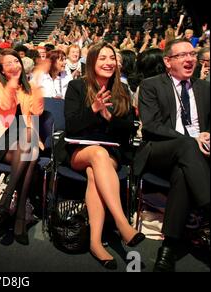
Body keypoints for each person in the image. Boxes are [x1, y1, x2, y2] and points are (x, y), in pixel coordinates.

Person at [64, 42, 145, 269]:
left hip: (110, 153)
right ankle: (121, 222)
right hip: (79, 150)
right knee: (96, 154)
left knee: (95, 172)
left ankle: (95, 242)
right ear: (91, 62)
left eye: (112, 58)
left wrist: (110, 118)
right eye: (102, 58)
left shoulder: (122, 90)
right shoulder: (76, 87)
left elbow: (131, 128)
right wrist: (93, 110)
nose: (108, 63)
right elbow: (71, 126)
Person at [136, 39, 210, 272]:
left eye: (192, 54)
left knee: (182, 172)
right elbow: (151, 125)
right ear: (168, 61)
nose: (189, 59)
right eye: (182, 55)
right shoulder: (151, 85)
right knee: (187, 147)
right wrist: (192, 139)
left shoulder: (205, 87)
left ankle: (168, 249)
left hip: (193, 158)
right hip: (160, 150)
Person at [0, 49, 46, 245]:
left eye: (16, 61)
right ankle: (18, 216)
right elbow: (3, 104)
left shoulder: (30, 87)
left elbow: (37, 113)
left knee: (30, 145)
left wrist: (35, 88)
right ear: (1, 68)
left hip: (25, 140)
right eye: (8, 63)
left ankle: (8, 203)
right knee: (31, 150)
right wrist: (12, 83)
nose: (13, 65)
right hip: (2, 137)